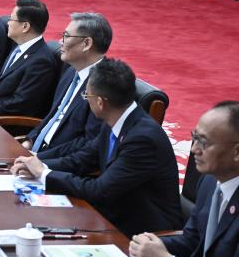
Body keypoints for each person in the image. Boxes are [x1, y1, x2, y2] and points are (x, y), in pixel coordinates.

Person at [11, 58, 182, 238]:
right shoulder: (115, 119)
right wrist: (38, 164)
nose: (87, 100)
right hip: (112, 214)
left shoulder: (142, 139)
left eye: (87, 96)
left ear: (100, 102)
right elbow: (81, 159)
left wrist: (44, 174)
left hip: (142, 233)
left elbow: (100, 190)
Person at [130, 101, 239, 257]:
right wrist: (148, 246)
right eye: (194, 137)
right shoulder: (209, 182)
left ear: (237, 152)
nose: (193, 149)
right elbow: (191, 240)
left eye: (204, 142)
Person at [22, 12, 111, 158]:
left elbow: (88, 144)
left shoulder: (105, 85)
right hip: (36, 153)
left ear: (86, 44)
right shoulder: (71, 71)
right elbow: (52, 117)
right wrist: (28, 142)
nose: (60, 41)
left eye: (66, 36)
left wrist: (39, 159)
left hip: (59, 163)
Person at [0, 0, 60, 118]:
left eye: (11, 19)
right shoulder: (19, 47)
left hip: (3, 121)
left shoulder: (41, 62)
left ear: (25, 26)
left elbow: (20, 103)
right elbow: (0, 85)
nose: (8, 23)